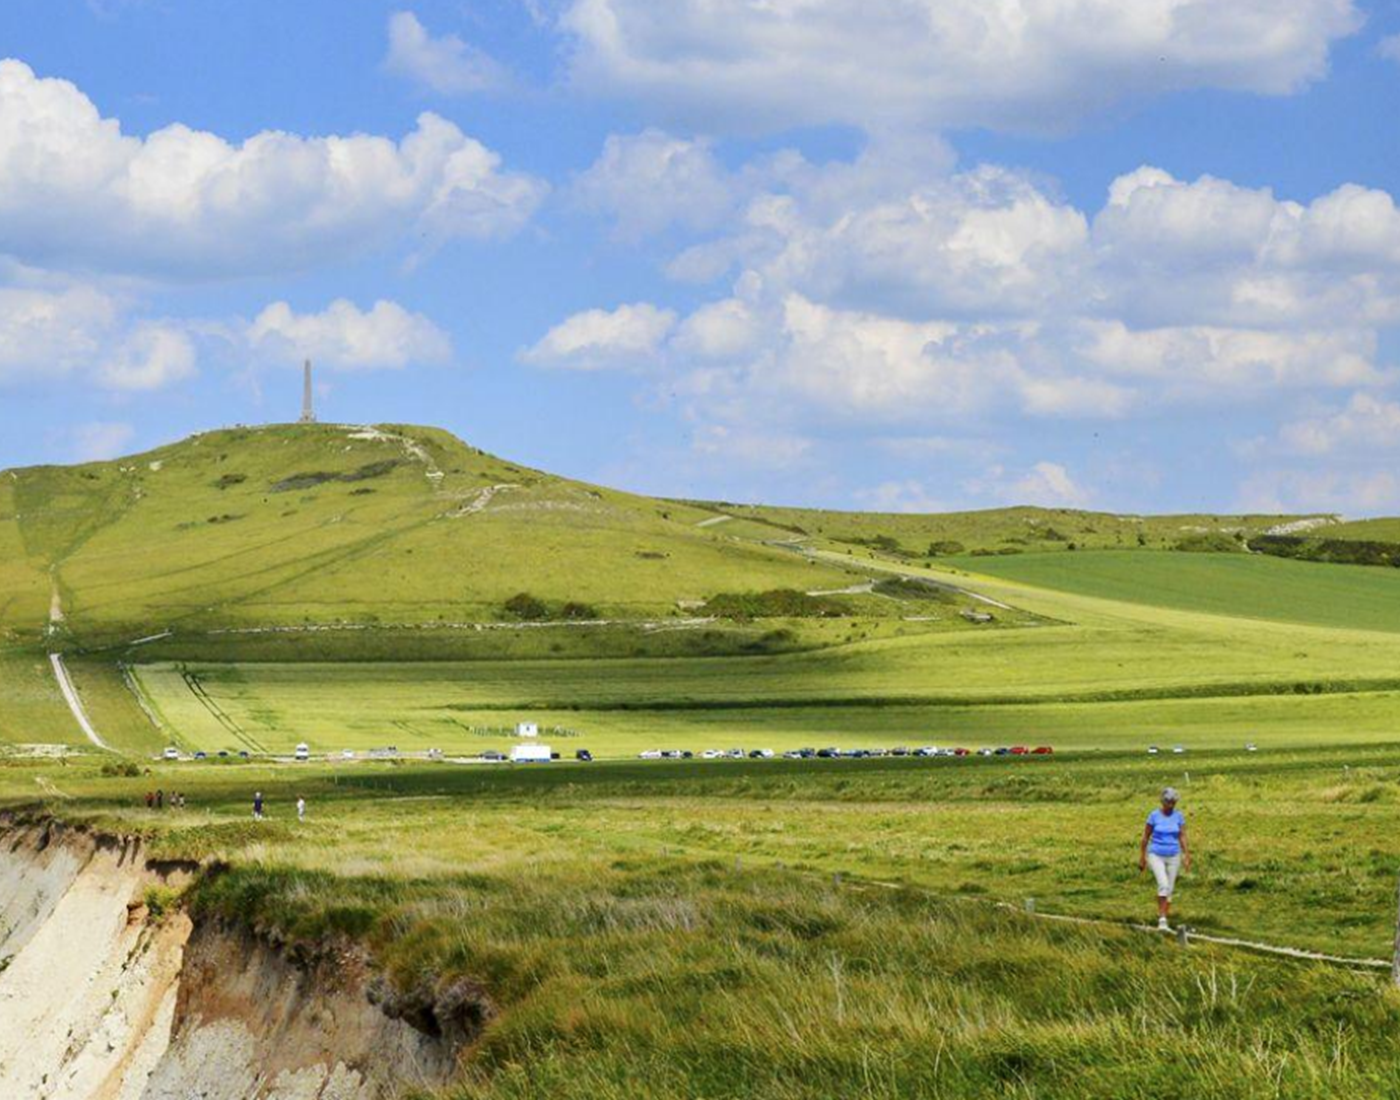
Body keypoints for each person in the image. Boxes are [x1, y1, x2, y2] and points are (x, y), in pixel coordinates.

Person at [1139, 786, 1190, 931]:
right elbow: (1145, 837)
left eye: (1173, 802)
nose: (1171, 805)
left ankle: (1164, 920)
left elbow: (1182, 836)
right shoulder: (1154, 816)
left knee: (1170, 889)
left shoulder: (1178, 816)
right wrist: (1142, 857)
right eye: (1168, 802)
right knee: (1163, 884)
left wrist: (1187, 855)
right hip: (1156, 854)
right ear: (1163, 801)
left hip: (1174, 855)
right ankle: (1161, 920)